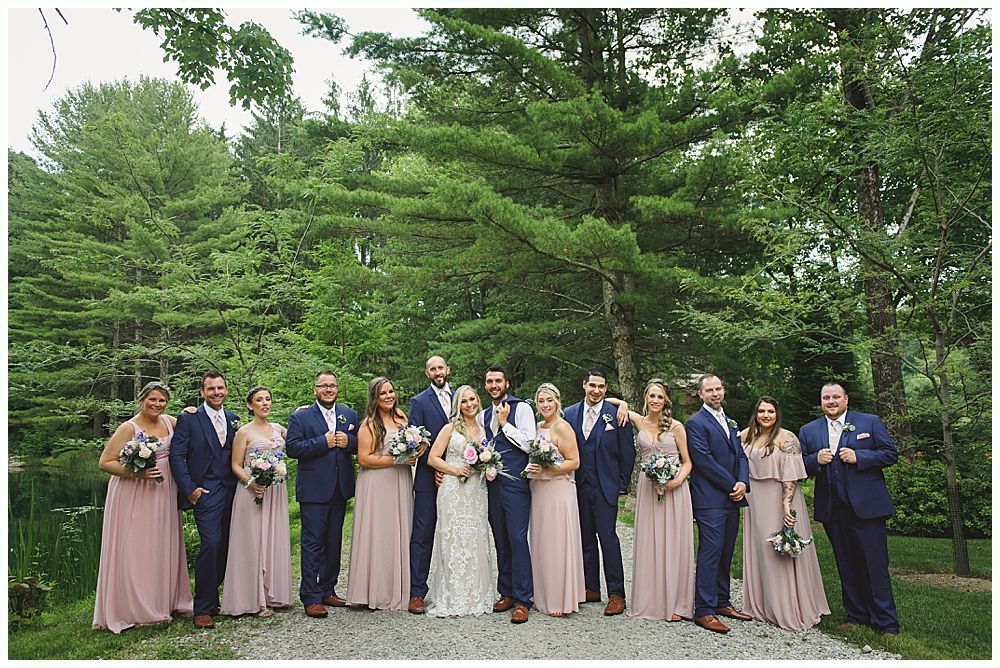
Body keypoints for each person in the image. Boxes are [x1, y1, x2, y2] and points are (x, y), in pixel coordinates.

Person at [799, 382, 899, 636]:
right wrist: (814, 461)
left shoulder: (869, 422)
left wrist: (860, 458)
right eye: (826, 398)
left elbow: (890, 454)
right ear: (821, 401)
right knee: (846, 563)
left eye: (835, 397)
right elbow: (799, 466)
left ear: (846, 399)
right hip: (834, 508)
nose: (831, 401)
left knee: (874, 565)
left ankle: (886, 622)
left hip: (867, 508)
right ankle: (856, 615)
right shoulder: (809, 430)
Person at [94, 381, 193, 633]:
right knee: (135, 546)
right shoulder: (129, 427)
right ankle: (136, 606)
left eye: (161, 400)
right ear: (141, 399)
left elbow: (191, 422)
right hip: (134, 492)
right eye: (152, 399)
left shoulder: (169, 422)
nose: (156, 404)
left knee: (160, 544)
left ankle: (164, 600)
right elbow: (105, 462)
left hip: (163, 492)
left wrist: (192, 410)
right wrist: (135, 474)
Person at [740, 395, 830, 630]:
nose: (766, 415)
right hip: (755, 499)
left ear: (777, 413)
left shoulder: (787, 438)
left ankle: (788, 608)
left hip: (778, 497)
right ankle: (763, 605)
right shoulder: (747, 435)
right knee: (760, 549)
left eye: (770, 411)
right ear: (756, 413)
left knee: (779, 552)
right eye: (761, 411)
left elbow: (790, 475)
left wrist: (785, 504)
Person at [610, 379, 695, 622]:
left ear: (666, 400)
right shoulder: (639, 421)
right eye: (651, 396)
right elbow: (607, 400)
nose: (655, 400)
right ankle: (651, 600)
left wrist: (676, 481)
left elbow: (688, 461)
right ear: (646, 397)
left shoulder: (677, 427)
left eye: (660, 396)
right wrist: (624, 404)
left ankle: (677, 602)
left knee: (673, 542)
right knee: (650, 542)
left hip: (674, 489)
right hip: (648, 489)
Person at [285, 371, 359, 618]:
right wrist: (321, 442)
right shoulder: (301, 417)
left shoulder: (348, 414)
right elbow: (293, 448)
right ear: (314, 389)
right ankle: (310, 596)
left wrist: (347, 441)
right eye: (323, 386)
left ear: (338, 388)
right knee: (312, 543)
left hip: (339, 488)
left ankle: (328, 588)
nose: (328, 389)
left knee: (333, 541)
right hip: (314, 490)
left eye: (332, 385)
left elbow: (360, 443)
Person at [169, 371, 239, 629]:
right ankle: (203, 608)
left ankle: (216, 596)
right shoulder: (189, 419)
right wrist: (191, 490)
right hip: (205, 492)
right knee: (211, 543)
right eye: (211, 389)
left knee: (227, 545)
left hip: (233, 491)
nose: (217, 392)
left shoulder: (233, 419)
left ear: (226, 390)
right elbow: (177, 456)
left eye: (221, 388)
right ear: (202, 392)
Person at [563, 369, 635, 616]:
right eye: (592, 385)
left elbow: (628, 453)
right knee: (585, 539)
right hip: (578, 487)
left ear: (606, 389)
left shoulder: (616, 415)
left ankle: (616, 593)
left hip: (606, 487)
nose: (596, 390)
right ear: (584, 385)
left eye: (601, 387)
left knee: (609, 539)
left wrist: (620, 485)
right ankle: (590, 587)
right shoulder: (570, 414)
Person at [685, 373, 752, 634]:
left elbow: (741, 455)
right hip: (709, 499)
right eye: (709, 390)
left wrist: (743, 482)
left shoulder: (730, 420)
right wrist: (731, 485)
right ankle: (704, 609)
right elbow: (703, 460)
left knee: (726, 552)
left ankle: (722, 601)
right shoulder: (696, 423)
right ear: (700, 394)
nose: (715, 393)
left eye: (718, 389)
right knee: (711, 552)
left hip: (733, 497)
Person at [346, 377, 420, 611]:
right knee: (378, 533)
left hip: (400, 480)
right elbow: (364, 459)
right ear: (374, 398)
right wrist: (397, 459)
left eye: (391, 391)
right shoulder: (368, 424)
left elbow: (412, 445)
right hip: (377, 482)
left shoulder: (401, 418)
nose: (389, 396)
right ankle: (374, 590)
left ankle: (398, 588)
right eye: (383, 393)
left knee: (400, 531)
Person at [220, 386, 292, 618]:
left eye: (268, 399)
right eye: (259, 400)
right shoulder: (244, 432)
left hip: (276, 492)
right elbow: (235, 465)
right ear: (250, 405)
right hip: (252, 491)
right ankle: (254, 599)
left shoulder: (279, 429)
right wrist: (251, 483)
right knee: (253, 541)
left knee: (272, 539)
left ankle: (272, 594)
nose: (265, 403)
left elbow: (301, 441)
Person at [424, 385, 495, 617]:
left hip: (477, 490)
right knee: (452, 538)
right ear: (458, 405)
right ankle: (452, 594)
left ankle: (476, 594)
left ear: (478, 400)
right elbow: (433, 458)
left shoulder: (485, 429)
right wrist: (455, 470)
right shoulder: (449, 428)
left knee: (475, 538)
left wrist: (489, 466)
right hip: (453, 490)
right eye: (464, 401)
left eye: (472, 399)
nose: (469, 404)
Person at [480, 364, 536, 623]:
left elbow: (530, 444)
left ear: (507, 383)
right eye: (490, 381)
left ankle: (524, 599)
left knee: (516, 537)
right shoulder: (482, 415)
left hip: (516, 483)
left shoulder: (522, 408)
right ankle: (507, 592)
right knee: (500, 537)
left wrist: (505, 425)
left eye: (498, 381)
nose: (494, 385)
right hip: (491, 485)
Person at [524, 383, 585, 617]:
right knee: (542, 542)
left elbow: (574, 462)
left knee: (558, 543)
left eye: (549, 400)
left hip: (558, 490)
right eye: (541, 401)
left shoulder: (563, 427)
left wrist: (550, 466)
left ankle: (561, 598)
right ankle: (542, 594)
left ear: (557, 401)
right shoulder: (538, 427)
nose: (545, 405)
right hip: (539, 491)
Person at [406, 355, 454, 614]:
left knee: (456, 533)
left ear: (448, 369)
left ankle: (455, 588)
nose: (438, 372)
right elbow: (416, 441)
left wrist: (451, 469)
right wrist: (436, 466)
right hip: (427, 476)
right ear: (427, 374)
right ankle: (417, 592)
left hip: (458, 475)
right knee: (423, 534)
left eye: (440, 367)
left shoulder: (461, 396)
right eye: (432, 369)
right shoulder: (419, 401)